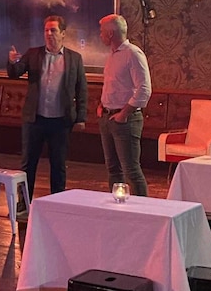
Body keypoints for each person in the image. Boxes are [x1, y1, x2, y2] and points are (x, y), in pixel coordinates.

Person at [8, 15, 88, 200]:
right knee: (28, 164)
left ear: (63, 34)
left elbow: (81, 89)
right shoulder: (33, 54)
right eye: (46, 30)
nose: (49, 34)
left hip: (61, 121)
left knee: (58, 165)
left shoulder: (74, 58)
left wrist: (81, 117)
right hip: (35, 119)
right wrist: (12, 61)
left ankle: (56, 203)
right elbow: (15, 73)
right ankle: (23, 204)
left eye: (53, 30)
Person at [97, 14, 152, 196]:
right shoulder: (112, 56)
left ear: (111, 33)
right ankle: (118, 208)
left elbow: (144, 89)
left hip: (125, 119)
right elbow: (114, 84)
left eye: (102, 32)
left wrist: (124, 113)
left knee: (131, 171)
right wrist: (102, 104)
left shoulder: (133, 54)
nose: (100, 35)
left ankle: (142, 212)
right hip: (108, 117)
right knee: (113, 169)